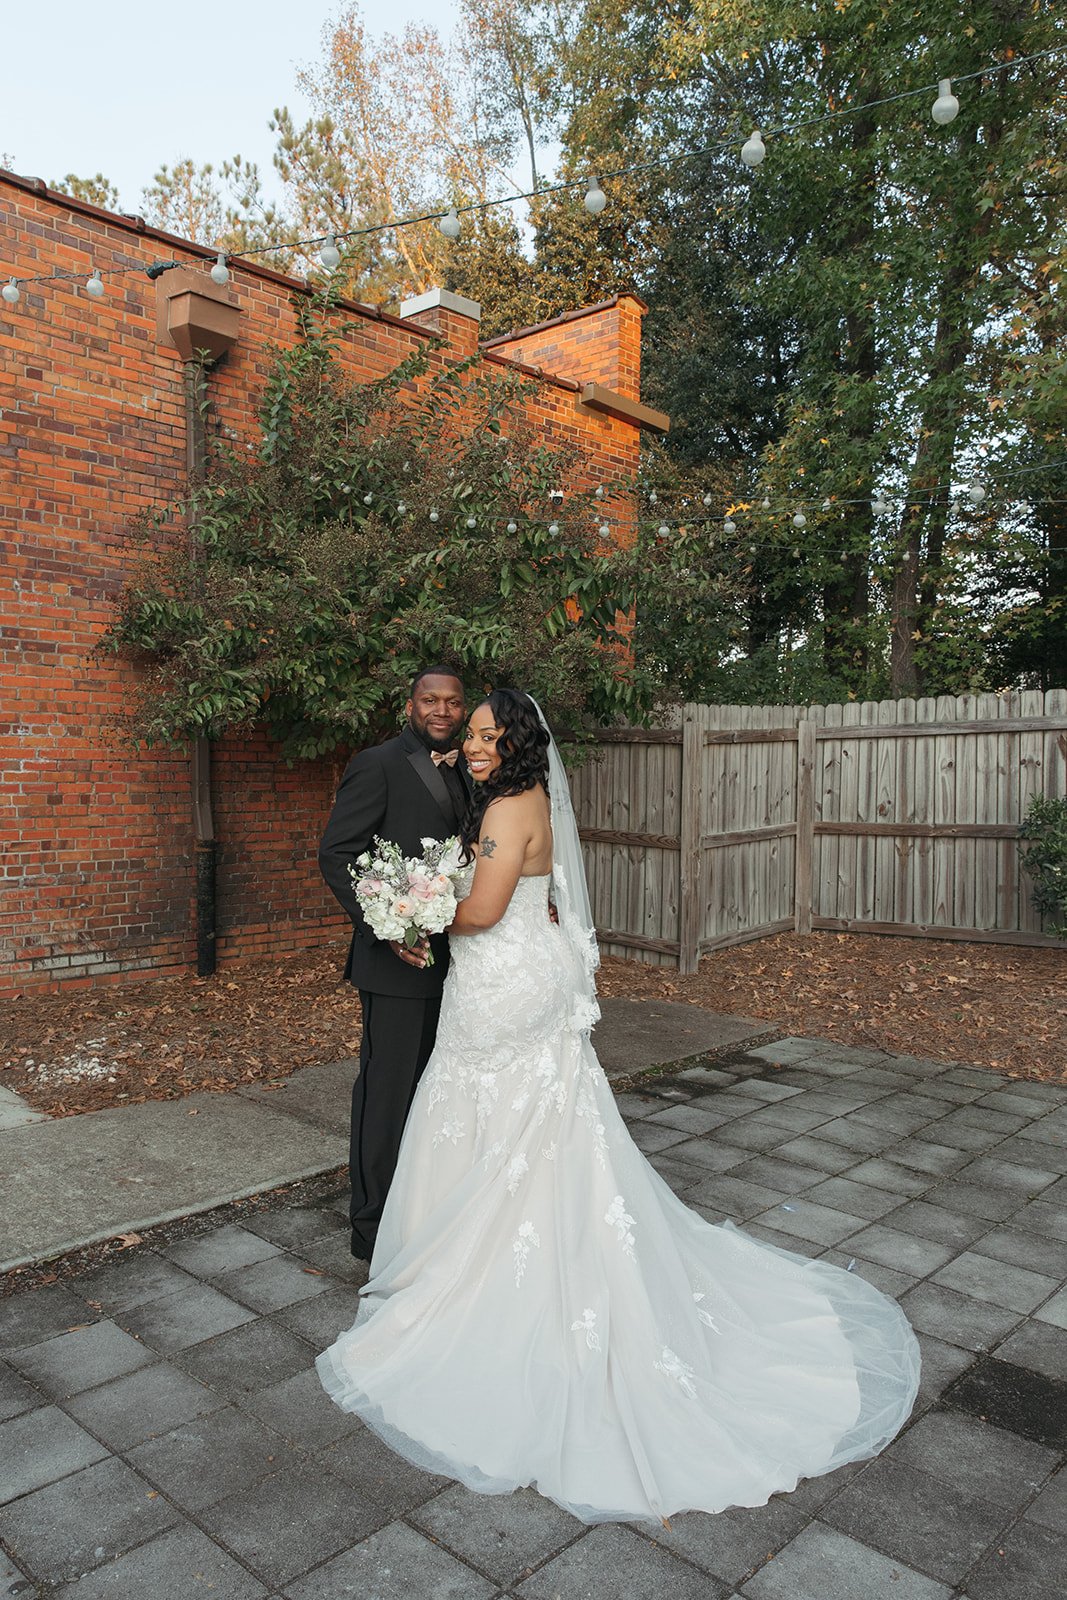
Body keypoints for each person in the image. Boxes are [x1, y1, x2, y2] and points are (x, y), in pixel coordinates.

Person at [317, 688, 921, 1524]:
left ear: (520, 741)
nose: (474, 742)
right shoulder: (506, 795)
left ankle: (478, 1274)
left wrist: (407, 909)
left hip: (500, 979)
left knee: (489, 1106)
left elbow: (484, 909)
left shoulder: (508, 808)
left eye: (490, 732)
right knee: (529, 1116)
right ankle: (489, 1240)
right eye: (470, 733)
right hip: (521, 974)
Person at [318, 666, 470, 1260]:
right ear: (410, 706)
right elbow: (338, 854)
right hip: (397, 965)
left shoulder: (470, 769)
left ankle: (423, 1209)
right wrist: (388, 930)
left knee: (436, 1093)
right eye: (430, 700)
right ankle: (372, 1229)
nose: (442, 711)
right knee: (387, 1093)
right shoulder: (377, 763)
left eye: (453, 702)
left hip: (461, 964)